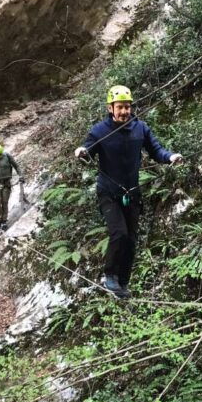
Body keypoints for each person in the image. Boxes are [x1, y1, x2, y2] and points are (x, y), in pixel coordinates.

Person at [74, 85, 182, 298]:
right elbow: (88, 153)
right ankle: (110, 276)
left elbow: (156, 150)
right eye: (120, 107)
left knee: (131, 239)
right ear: (110, 108)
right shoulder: (99, 131)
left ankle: (123, 282)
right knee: (119, 233)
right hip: (108, 193)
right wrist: (82, 152)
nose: (124, 111)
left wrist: (170, 157)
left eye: (127, 107)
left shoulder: (140, 128)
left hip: (132, 193)